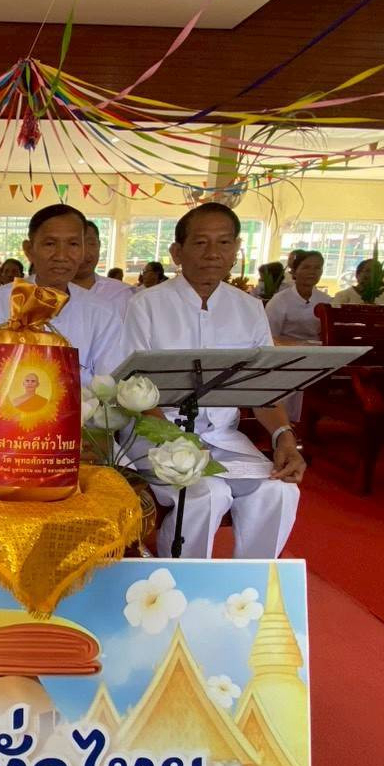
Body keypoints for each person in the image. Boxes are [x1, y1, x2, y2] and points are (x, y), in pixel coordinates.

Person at [125, 202, 306, 560]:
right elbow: (134, 392)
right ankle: (178, 584)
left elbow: (262, 390)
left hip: (224, 439)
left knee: (279, 490)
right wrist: (177, 445)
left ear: (236, 249)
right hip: (157, 437)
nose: (213, 253)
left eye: (224, 243)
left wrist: (284, 437)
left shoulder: (250, 308)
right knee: (206, 493)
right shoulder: (145, 305)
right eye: (200, 242)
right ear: (177, 252)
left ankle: (250, 586)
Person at [0, 205, 126, 386]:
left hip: (84, 405)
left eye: (73, 244)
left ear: (83, 250)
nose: (61, 256)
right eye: (50, 244)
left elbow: (109, 384)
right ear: (29, 249)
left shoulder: (103, 312)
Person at [266, 251, 330, 345]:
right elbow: (269, 336)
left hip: (319, 350)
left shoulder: (326, 300)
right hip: (286, 350)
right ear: (294, 272)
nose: (312, 272)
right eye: (306, 267)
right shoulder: (279, 300)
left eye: (317, 268)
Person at [74, 221, 134, 316]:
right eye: (74, 244)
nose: (84, 253)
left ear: (99, 245)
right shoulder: (50, 294)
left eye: (90, 243)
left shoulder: (121, 293)